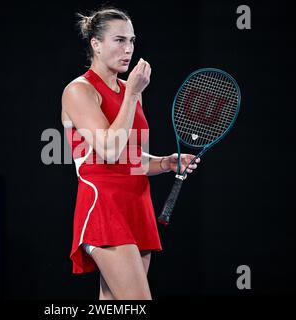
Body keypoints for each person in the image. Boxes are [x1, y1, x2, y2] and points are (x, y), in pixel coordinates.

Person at [61, 7, 200, 300]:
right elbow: (109, 150)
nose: (128, 50)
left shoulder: (129, 89)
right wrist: (133, 94)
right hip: (104, 207)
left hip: (137, 206)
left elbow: (133, 160)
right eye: (119, 40)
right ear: (95, 44)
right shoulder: (78, 90)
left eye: (132, 41)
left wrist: (165, 162)